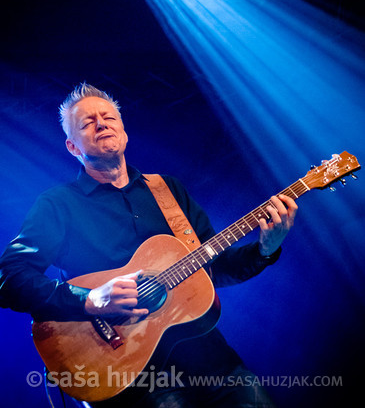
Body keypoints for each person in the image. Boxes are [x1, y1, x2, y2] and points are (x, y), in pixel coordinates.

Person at [0, 83, 298, 408]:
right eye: (88, 123)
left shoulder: (167, 189)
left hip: (215, 365)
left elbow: (216, 267)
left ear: (124, 133)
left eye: (108, 117)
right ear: (72, 147)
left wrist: (265, 250)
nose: (101, 124)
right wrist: (91, 299)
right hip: (136, 383)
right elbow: (9, 278)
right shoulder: (58, 205)